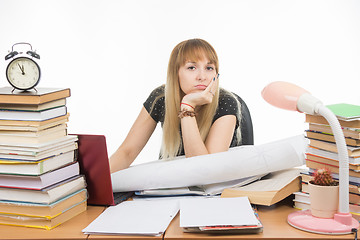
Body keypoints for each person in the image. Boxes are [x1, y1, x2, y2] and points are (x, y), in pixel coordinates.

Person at [109, 38, 245, 173]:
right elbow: (127, 153)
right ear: (176, 73)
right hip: (170, 187)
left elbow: (204, 171)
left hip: (212, 191)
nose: (202, 76)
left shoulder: (226, 102)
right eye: (192, 67)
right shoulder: (161, 97)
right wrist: (92, 182)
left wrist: (187, 105)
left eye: (209, 68)